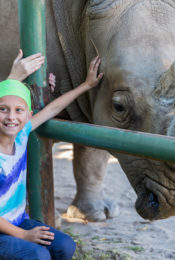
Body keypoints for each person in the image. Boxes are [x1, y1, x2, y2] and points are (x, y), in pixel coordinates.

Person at [0, 51, 103, 260]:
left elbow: (51, 109)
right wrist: (23, 235)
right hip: (7, 228)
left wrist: (86, 86)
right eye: (3, 109)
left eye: (18, 110)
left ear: (28, 115)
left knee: (65, 246)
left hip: (18, 220)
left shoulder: (21, 136)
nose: (11, 117)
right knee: (38, 255)